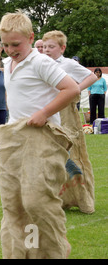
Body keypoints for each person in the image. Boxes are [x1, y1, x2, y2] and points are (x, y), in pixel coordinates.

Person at [0, 11, 80, 259]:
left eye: (16, 44)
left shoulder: (41, 62)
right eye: (6, 44)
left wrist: (43, 113)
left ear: (31, 38)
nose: (11, 50)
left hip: (41, 138)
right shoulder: (6, 64)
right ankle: (19, 254)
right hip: (12, 138)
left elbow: (72, 89)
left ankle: (55, 250)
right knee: (13, 204)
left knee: (36, 200)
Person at [42, 30, 98, 214]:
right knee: (52, 158)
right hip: (49, 111)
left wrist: (75, 89)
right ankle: (60, 198)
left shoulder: (67, 64)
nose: (47, 50)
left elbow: (92, 76)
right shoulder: (41, 64)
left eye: (52, 47)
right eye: (45, 46)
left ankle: (84, 199)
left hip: (66, 114)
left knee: (73, 156)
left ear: (62, 48)